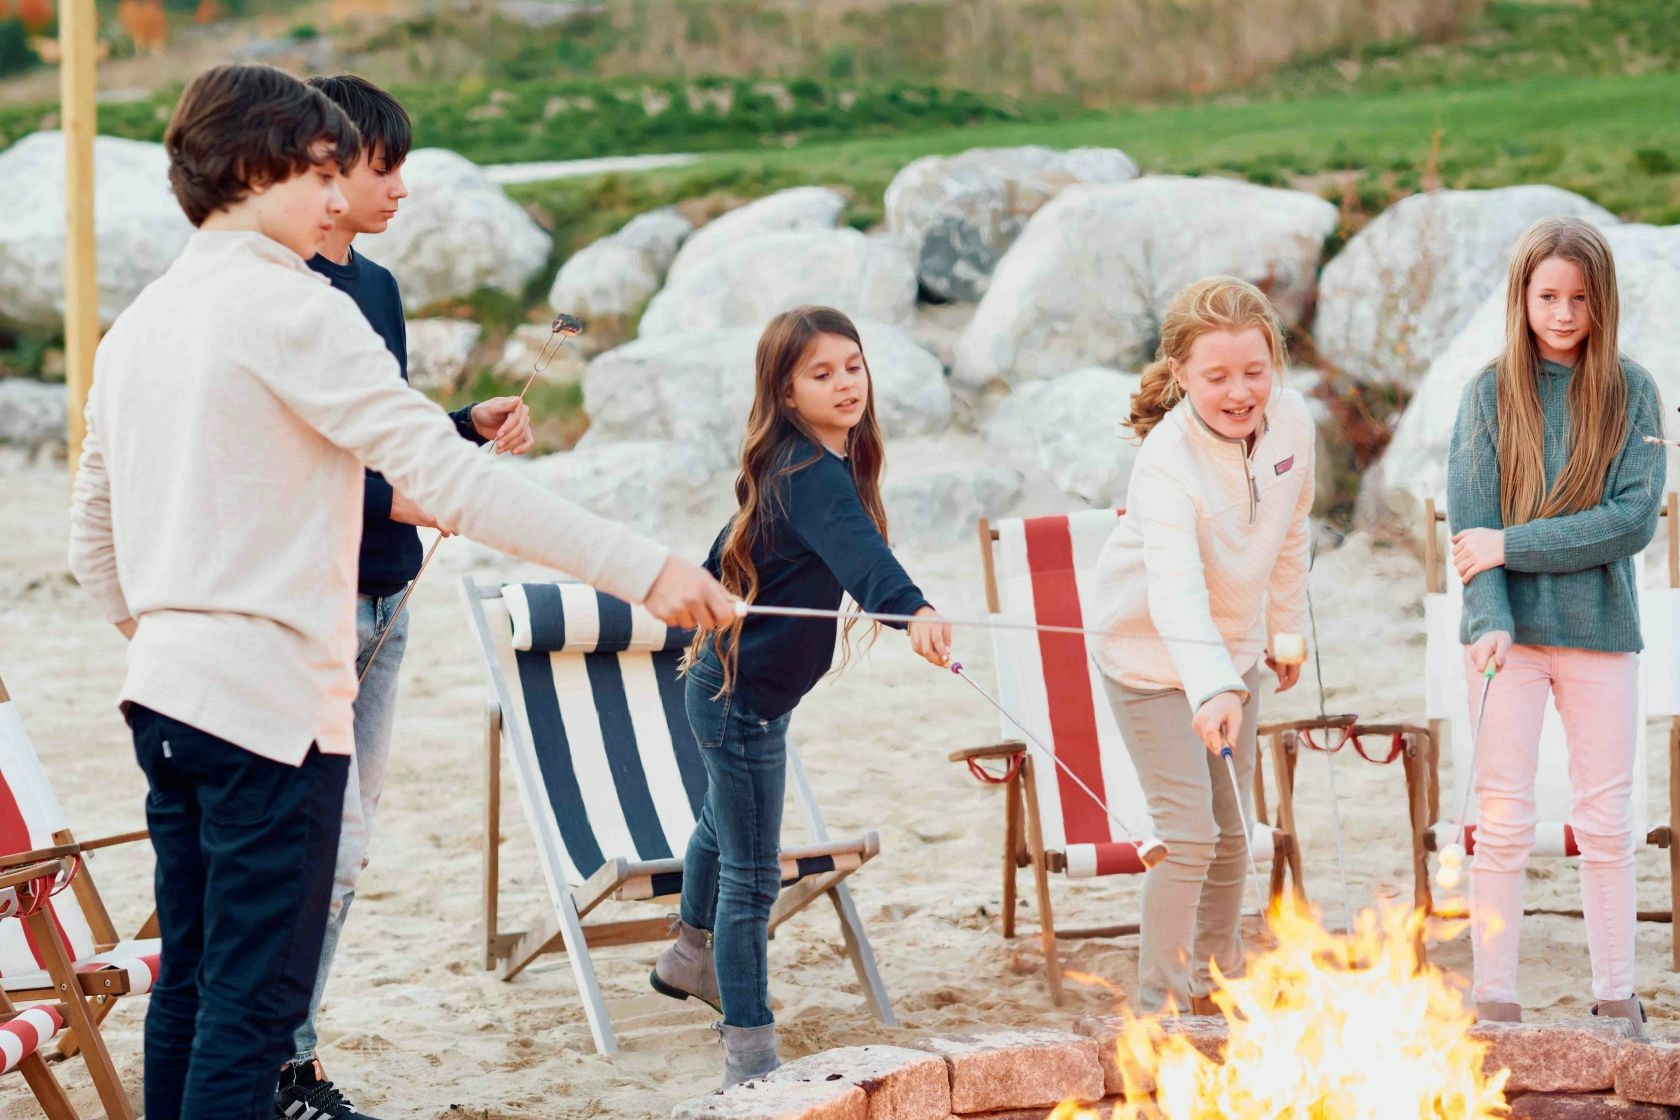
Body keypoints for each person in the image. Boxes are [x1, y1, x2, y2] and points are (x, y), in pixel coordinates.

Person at [67, 62, 731, 1120]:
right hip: (268, 709)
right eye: (322, 173)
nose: (340, 197)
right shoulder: (296, 307)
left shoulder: (139, 321)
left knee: (189, 980)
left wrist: (167, 638)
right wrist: (647, 571)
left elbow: (91, 537)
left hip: (163, 701)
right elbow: (452, 480)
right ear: (256, 170)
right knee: (250, 1005)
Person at [270, 72, 533, 1120]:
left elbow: (382, 428)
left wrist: (461, 427)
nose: (400, 187)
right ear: (325, 170)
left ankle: (287, 1059)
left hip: (389, 598)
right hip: (314, 603)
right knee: (305, 847)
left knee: (344, 853)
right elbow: (301, 460)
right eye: (385, 167)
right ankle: (277, 1067)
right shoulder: (282, 291)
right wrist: (416, 502)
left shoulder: (375, 288)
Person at [648, 305, 950, 1088]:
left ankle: (688, 954)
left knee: (720, 823)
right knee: (752, 875)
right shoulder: (807, 473)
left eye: (853, 366)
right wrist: (911, 609)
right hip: (739, 698)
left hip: (740, 690)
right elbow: (863, 555)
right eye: (822, 374)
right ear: (786, 393)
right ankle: (750, 1058)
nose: (845, 383)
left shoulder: (811, 461)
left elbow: (821, 544)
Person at [1447, 215, 1664, 1033]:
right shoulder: (1487, 393)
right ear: (1523, 297)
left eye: (1579, 297)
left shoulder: (1633, 392)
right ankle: (1495, 1003)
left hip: (1601, 633)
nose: (1564, 313)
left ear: (1602, 299)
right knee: (1501, 821)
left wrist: (1513, 544)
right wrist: (1489, 615)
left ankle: (1616, 998)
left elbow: (1630, 522)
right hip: (1506, 637)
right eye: (1548, 297)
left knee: (1606, 823)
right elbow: (1471, 529)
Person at [1090, 275, 1315, 1014]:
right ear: (1181, 373)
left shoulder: (1293, 425)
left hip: (1236, 650)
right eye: (1217, 377)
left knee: (1233, 830)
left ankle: (1219, 987)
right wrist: (1212, 686)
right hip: (1149, 657)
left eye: (1255, 371)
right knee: (1188, 835)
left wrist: (1283, 631)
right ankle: (1159, 1011)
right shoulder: (1165, 461)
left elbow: (1291, 532)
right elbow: (1175, 591)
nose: (1240, 392)